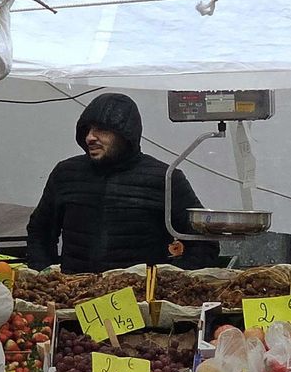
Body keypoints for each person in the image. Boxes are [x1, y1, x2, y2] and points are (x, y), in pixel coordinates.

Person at [26, 92, 218, 273]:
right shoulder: (66, 174)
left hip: (139, 299)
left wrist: (167, 283)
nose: (90, 137)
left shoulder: (165, 178)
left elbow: (203, 242)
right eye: (87, 130)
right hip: (75, 295)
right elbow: (39, 231)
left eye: (101, 129)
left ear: (125, 133)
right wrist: (46, 277)